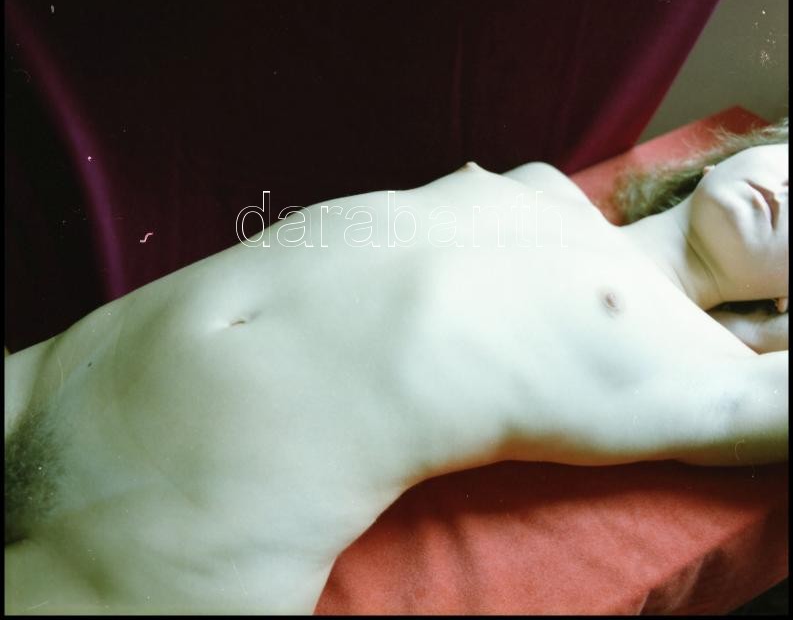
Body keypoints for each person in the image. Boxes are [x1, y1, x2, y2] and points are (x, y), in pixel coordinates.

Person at [4, 119, 788, 615]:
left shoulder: (716, 375)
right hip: (48, 382)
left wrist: (763, 336)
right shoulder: (540, 187)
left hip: (170, 541)